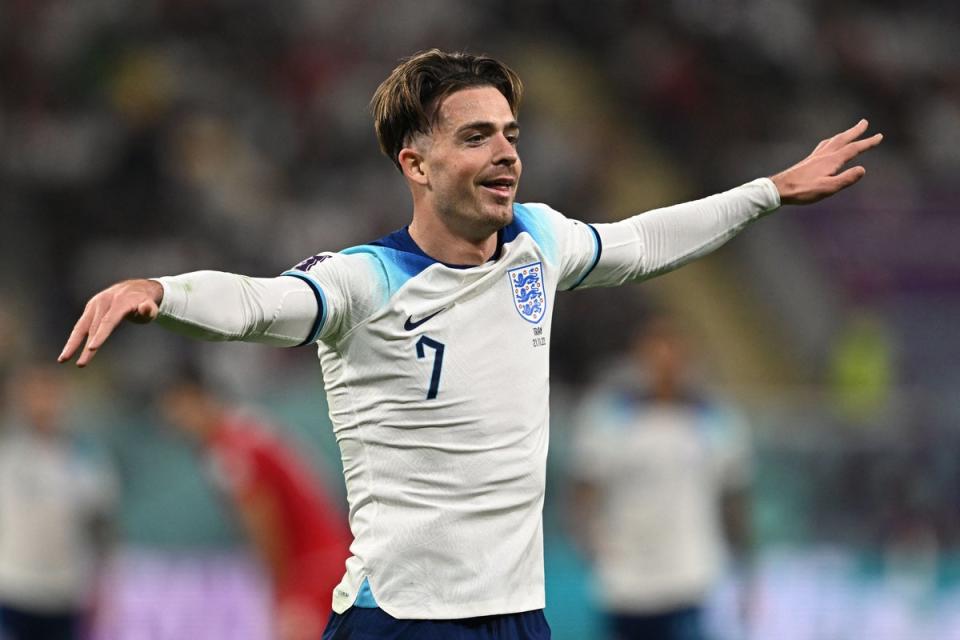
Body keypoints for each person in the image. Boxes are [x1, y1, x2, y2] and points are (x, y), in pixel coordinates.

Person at [58, 49, 882, 639]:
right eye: (478, 135)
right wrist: (159, 293)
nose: (508, 153)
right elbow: (259, 302)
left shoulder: (538, 242)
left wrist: (769, 190)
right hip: (402, 619)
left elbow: (641, 241)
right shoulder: (364, 280)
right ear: (416, 162)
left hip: (519, 616)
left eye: (511, 132)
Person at [569, 318, 754, 640]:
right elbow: (584, 488)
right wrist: (590, 544)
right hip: (625, 579)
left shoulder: (715, 420)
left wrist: (746, 565)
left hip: (690, 576)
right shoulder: (608, 417)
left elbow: (733, 497)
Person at [157, 367, 352, 640]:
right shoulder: (248, 425)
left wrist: (278, 584)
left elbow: (262, 518)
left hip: (308, 570)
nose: (175, 420)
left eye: (178, 408)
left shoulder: (230, 447)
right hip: (330, 557)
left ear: (199, 398)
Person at [0, 364, 116, 640]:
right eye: (34, 394)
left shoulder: (87, 458)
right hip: (13, 589)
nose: (42, 403)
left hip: (65, 594)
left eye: (49, 393)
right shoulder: (7, 452)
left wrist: (101, 585)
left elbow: (101, 527)